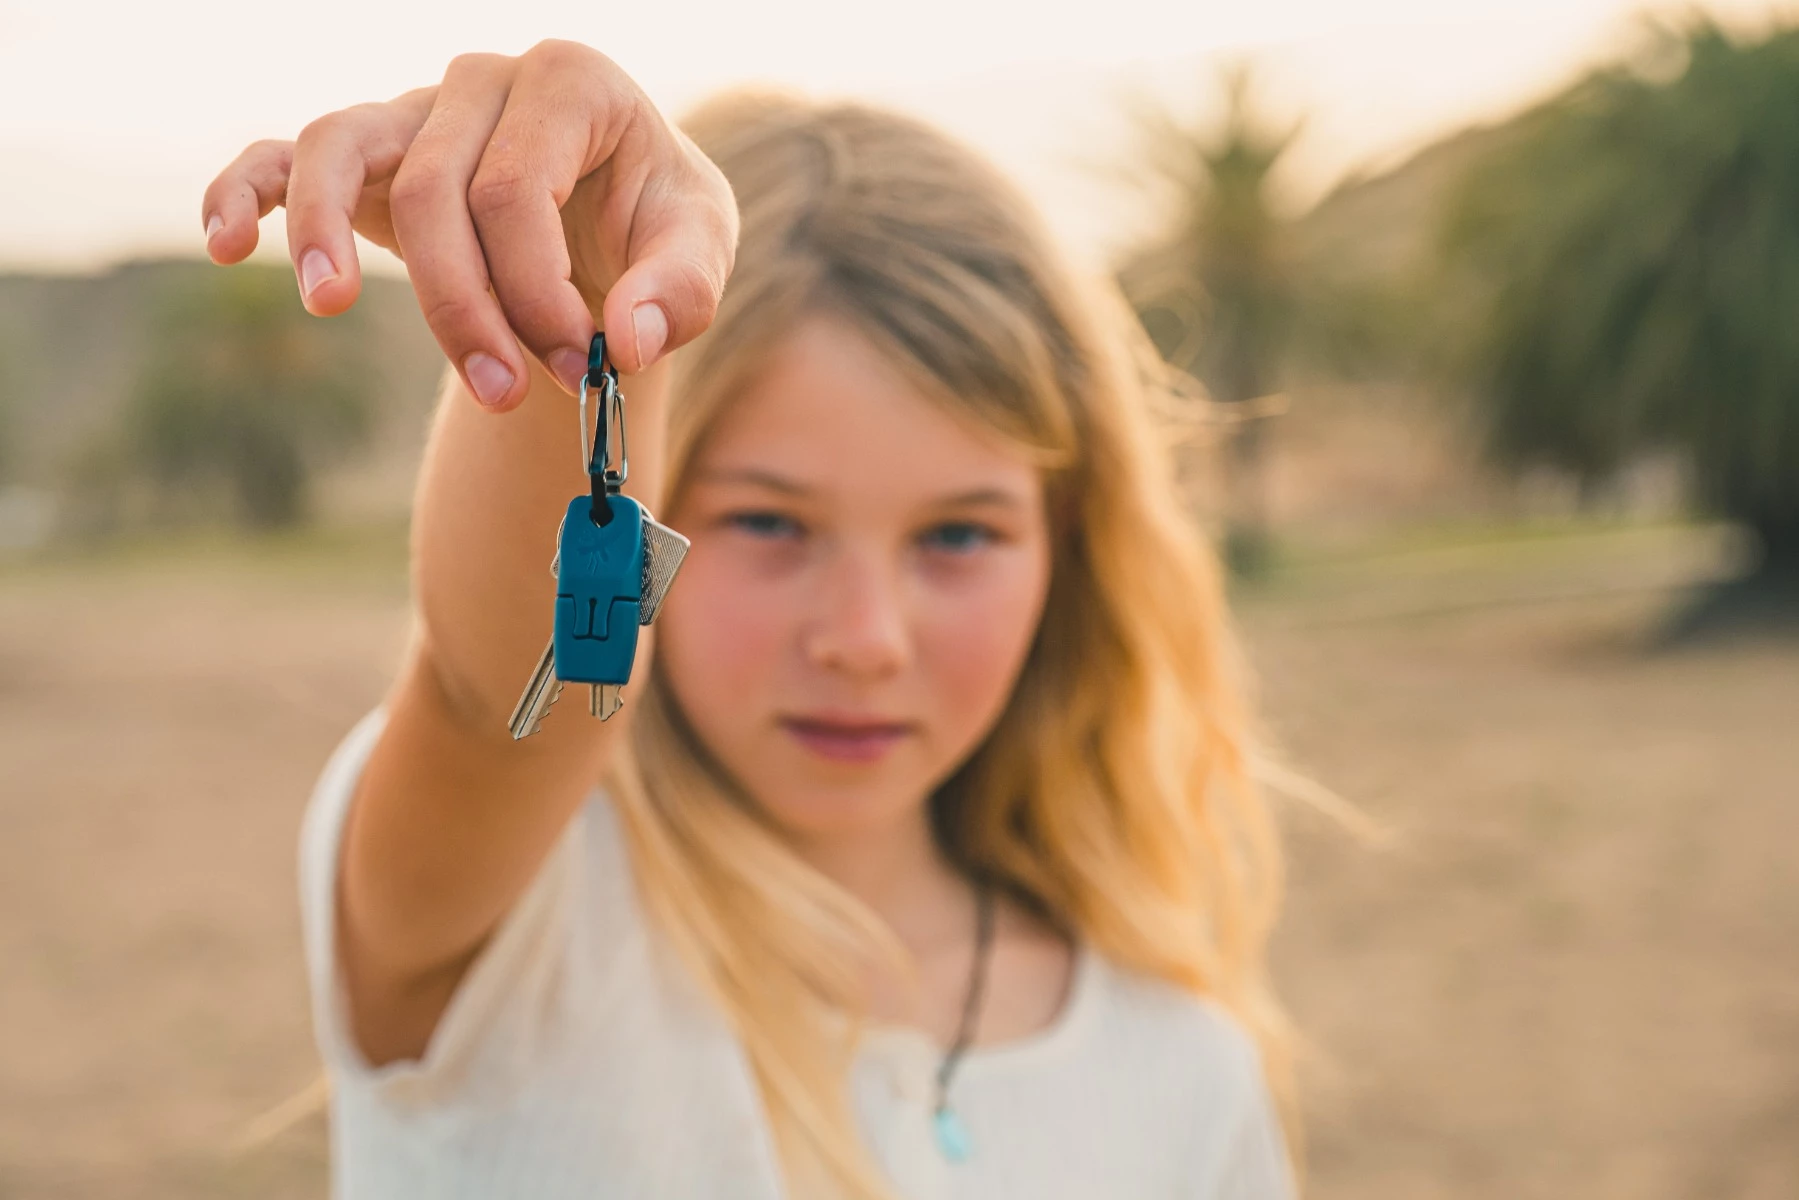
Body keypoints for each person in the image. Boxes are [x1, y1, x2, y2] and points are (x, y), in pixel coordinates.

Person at [203, 40, 1297, 1200]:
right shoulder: (520, 929)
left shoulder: (1184, 1065)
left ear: (1067, 545)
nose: (864, 638)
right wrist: (575, 296)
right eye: (769, 525)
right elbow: (496, 699)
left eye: (958, 536)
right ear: (658, 499)